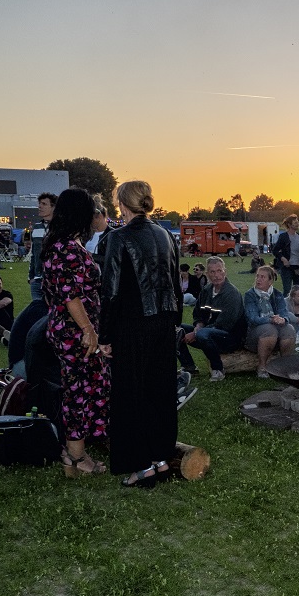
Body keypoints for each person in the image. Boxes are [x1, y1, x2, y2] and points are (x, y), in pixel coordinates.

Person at [99, 180, 183, 488]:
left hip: (133, 324)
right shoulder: (164, 234)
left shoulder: (118, 238)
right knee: (160, 391)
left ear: (122, 202)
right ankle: (160, 458)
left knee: (131, 395)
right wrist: (175, 320)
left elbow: (109, 292)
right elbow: (176, 283)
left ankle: (141, 466)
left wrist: (104, 336)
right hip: (163, 321)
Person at [41, 188, 109, 478]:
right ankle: (75, 457)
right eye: (90, 210)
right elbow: (70, 296)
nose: (94, 215)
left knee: (85, 388)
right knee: (79, 391)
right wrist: (88, 329)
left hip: (68, 328)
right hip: (75, 332)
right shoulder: (66, 248)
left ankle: (76, 452)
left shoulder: (61, 243)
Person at [176, 256, 247, 381]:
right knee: (177, 329)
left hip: (230, 338)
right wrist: (198, 326)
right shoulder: (206, 290)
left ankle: (218, 369)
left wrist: (196, 332)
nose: (216, 275)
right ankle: (189, 367)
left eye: (219, 271)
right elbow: (198, 314)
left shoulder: (232, 293)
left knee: (203, 334)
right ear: (207, 274)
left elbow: (224, 324)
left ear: (225, 271)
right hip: (208, 333)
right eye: (212, 272)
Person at [243, 265, 295, 378]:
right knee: (269, 329)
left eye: (263, 277)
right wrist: (270, 319)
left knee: (289, 328)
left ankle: (284, 366)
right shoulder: (250, 295)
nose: (258, 279)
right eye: (257, 276)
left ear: (270, 281)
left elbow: (285, 313)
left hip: (276, 333)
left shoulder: (277, 294)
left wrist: (283, 319)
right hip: (254, 336)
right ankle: (262, 367)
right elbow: (253, 318)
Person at [29, 192, 57, 302]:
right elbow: (33, 254)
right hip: (37, 280)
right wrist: (31, 277)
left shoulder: (60, 227)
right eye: (39, 203)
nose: (40, 206)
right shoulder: (37, 227)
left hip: (53, 281)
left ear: (54, 207)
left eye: (44, 204)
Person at [272, 214, 299, 295]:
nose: (297, 224)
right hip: (287, 268)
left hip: (298, 268)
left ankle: (297, 307)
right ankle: (285, 307)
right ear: (289, 224)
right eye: (295, 222)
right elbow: (275, 250)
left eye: (298, 222)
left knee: (298, 292)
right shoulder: (283, 237)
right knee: (287, 291)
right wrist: (283, 259)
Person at [0, 274, 14, 340]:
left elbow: (3, 303)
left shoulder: (7, 294)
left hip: (7, 324)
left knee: (0, 309)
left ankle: (6, 335)